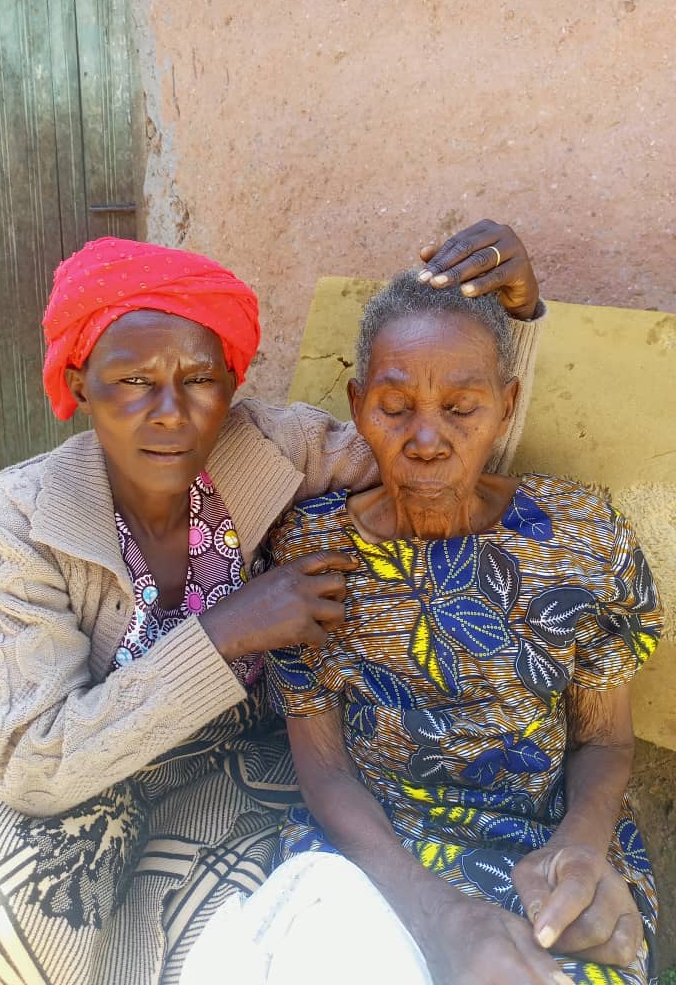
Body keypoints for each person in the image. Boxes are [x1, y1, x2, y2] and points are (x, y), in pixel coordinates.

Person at [0, 222, 544, 984]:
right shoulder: (21, 518)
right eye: (131, 380)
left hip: (236, 775)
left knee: (190, 946)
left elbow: (436, 464)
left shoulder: (271, 449)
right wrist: (224, 632)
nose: (169, 410)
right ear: (81, 378)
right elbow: (30, 764)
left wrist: (519, 324)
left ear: (231, 384)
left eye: (199, 378)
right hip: (68, 787)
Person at [184, 273, 662, 985]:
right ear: (358, 406)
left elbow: (604, 736)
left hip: (550, 849)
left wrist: (581, 850)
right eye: (396, 406)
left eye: (463, 407)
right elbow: (325, 769)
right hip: (370, 854)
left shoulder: (583, 538)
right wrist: (438, 915)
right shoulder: (312, 552)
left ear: (507, 406)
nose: (427, 438)